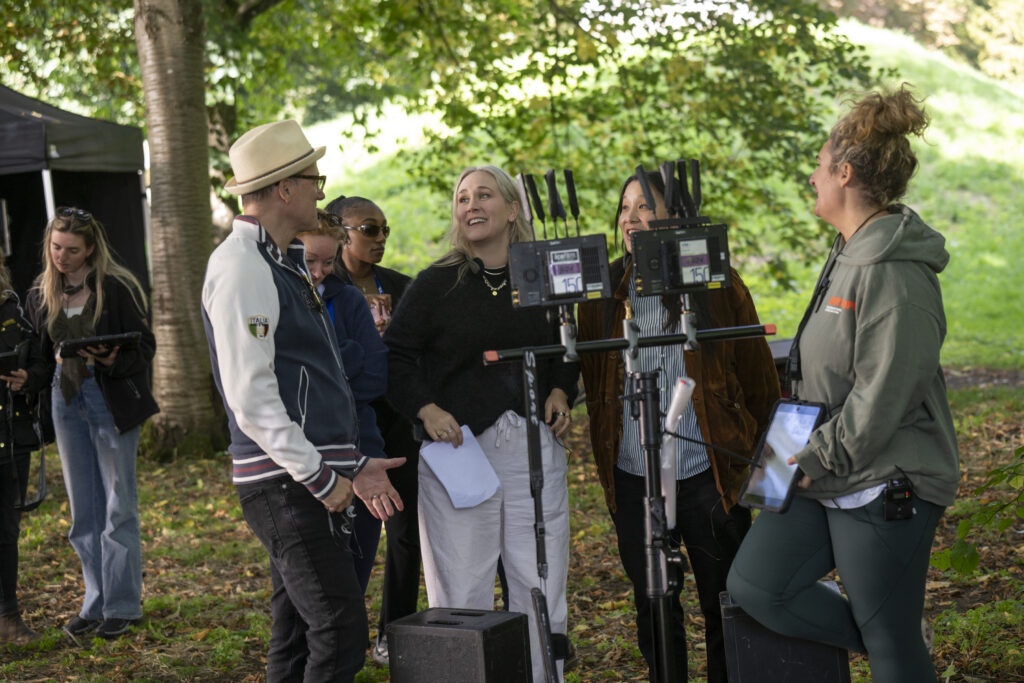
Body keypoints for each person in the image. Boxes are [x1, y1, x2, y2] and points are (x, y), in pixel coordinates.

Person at [726, 85, 959, 683]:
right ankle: (896, 642)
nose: (811, 177)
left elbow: (886, 396)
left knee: (891, 642)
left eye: (819, 166)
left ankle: (897, 647)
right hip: (817, 463)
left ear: (845, 174)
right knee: (757, 585)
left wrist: (812, 456)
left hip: (881, 479)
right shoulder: (849, 250)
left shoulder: (895, 273)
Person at [201, 119, 406, 682]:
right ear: (286, 188)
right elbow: (251, 395)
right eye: (314, 178)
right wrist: (323, 479)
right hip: (286, 484)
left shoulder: (280, 261)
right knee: (340, 632)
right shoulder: (243, 265)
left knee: (294, 638)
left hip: (302, 477)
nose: (322, 189)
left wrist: (354, 464)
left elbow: (307, 385)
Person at [577, 171, 779, 682]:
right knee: (654, 606)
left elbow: (760, 383)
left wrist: (767, 477)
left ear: (676, 217)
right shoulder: (603, 292)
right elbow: (583, 375)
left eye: (645, 206)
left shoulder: (718, 283)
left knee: (724, 604)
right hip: (633, 475)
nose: (631, 218)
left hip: (707, 475)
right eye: (624, 208)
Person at [384, 165, 578, 682]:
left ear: (513, 209)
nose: (471, 204)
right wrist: (426, 409)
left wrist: (561, 388)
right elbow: (396, 359)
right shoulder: (434, 285)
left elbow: (567, 348)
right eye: (462, 197)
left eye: (484, 194)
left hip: (532, 451)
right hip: (458, 455)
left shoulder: (543, 276)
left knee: (539, 579)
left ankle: (542, 675)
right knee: (461, 586)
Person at [28, 206, 158, 640]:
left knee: (118, 503)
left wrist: (112, 357)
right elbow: (41, 359)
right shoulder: (41, 292)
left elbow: (145, 347)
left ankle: (123, 604)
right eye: (56, 247)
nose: (62, 257)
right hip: (64, 401)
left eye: (72, 250)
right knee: (84, 510)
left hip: (110, 399)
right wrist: (24, 375)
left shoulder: (115, 288)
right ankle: (96, 602)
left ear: (90, 250)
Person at [324, 195, 420, 665]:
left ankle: (394, 632)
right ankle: (344, 634)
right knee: (356, 529)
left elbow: (417, 352)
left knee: (405, 528)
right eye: (369, 228)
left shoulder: (403, 287)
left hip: (398, 415)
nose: (381, 238)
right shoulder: (323, 285)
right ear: (341, 230)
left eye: (385, 229)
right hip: (349, 421)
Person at [296, 209, 387, 593]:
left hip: (360, 446)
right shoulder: (279, 298)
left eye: (328, 261)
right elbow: (288, 384)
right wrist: (346, 354)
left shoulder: (347, 298)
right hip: (302, 456)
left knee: (356, 570)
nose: (319, 272)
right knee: (312, 582)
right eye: (309, 261)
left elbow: (375, 378)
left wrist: (327, 366)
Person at [0, 261, 46, 645]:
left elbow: (44, 360)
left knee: (6, 530)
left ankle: (8, 617)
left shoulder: (14, 310)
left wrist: (28, 377)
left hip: (10, 437)